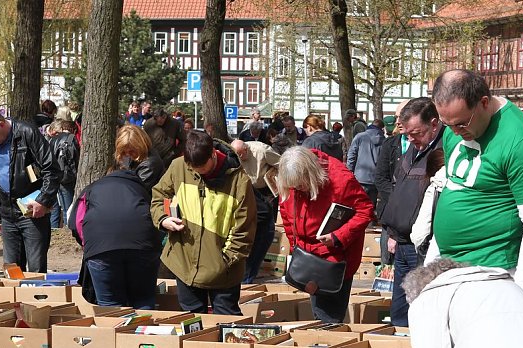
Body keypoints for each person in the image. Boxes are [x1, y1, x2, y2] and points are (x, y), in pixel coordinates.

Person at [427, 69, 523, 301]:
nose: (455, 131)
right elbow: (453, 189)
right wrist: (432, 260)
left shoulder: (522, 140)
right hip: (447, 268)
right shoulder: (455, 129)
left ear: (483, 103)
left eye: (461, 124)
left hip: (495, 272)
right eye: (447, 124)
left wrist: (522, 295)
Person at [150, 130, 256, 314]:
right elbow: (159, 196)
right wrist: (163, 218)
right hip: (184, 263)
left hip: (223, 271)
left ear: (213, 155)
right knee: (192, 322)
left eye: (202, 167)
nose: (198, 171)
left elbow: (244, 228)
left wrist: (226, 260)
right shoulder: (178, 167)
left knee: (226, 319)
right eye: (193, 168)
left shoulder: (239, 181)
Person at [275, 146, 374, 322]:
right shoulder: (290, 180)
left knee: (328, 317)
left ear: (310, 174)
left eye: (301, 185)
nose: (298, 189)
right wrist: (296, 248)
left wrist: (338, 237)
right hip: (308, 257)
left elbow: (365, 211)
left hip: (335, 258)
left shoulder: (341, 180)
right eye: (294, 187)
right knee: (320, 314)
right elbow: (288, 215)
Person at [71, 125, 163, 308]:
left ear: (142, 147)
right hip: (137, 239)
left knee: (113, 304)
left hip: (119, 238)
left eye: (132, 151)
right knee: (140, 301)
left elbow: (76, 221)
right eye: (124, 151)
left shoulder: (150, 166)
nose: (128, 155)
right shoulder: (135, 167)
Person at [379, 97, 444, 326]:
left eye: (415, 132)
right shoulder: (416, 147)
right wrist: (393, 234)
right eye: (406, 132)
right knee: (399, 313)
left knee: (420, 313)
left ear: (434, 124)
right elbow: (399, 190)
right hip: (402, 241)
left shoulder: (442, 150)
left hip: (423, 246)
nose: (410, 138)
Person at [0, 110, 60, 273]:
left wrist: (43, 200)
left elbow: (52, 169)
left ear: (1, 124)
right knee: (12, 270)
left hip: (31, 211)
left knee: (35, 269)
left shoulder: (27, 133)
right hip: (7, 214)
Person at [230, 139, 282, 283]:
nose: (240, 157)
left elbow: (281, 165)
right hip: (248, 190)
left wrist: (275, 182)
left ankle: (251, 272)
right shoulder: (233, 155)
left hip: (266, 190)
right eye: (237, 155)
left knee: (265, 229)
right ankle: (247, 273)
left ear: (246, 149)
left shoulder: (262, 150)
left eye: (241, 154)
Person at [375, 100, 409, 266]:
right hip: (390, 212)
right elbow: (380, 178)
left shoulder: (428, 147)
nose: (397, 121)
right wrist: (398, 198)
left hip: (413, 217)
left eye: (401, 116)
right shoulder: (390, 144)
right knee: (387, 261)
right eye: (396, 117)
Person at [46, 119, 79, 229]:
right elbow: (74, 157)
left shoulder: (52, 139)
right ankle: (68, 227)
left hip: (55, 176)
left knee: (58, 207)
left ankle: (55, 228)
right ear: (72, 129)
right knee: (68, 207)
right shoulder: (71, 139)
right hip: (67, 176)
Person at [346, 118, 385, 204]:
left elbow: (352, 155)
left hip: (360, 177)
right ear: (382, 128)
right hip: (375, 178)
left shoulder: (360, 137)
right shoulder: (384, 140)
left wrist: (349, 171)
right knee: (371, 206)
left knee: (358, 204)